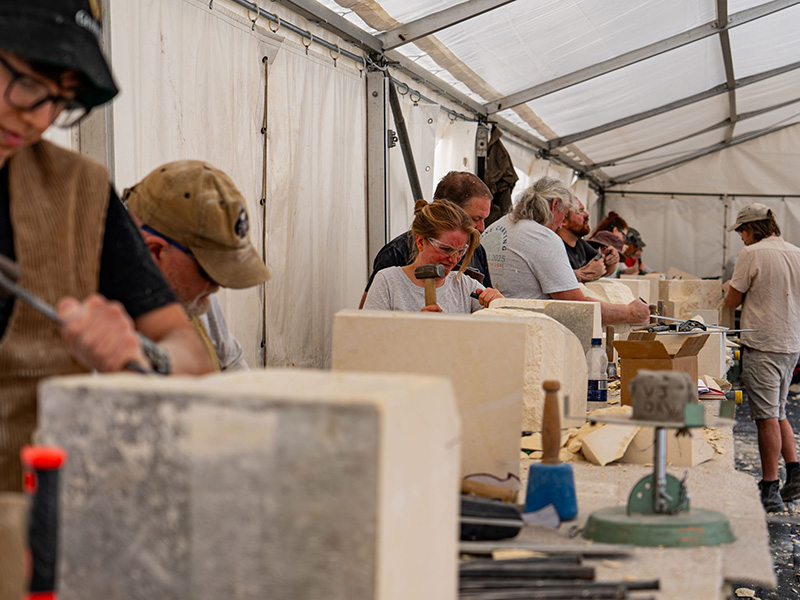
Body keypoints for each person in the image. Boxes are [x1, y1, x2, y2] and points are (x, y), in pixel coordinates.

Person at [0, 0, 213, 492]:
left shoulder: (78, 191)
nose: (38, 118)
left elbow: (194, 361)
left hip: (24, 528)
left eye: (61, 99)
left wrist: (143, 356)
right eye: (30, 81)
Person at [124, 161, 271, 372]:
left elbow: (232, 363)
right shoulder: (99, 317)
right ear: (155, 252)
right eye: (208, 270)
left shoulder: (195, 295)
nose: (217, 285)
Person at [482, 177, 650, 325]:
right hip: (528, 332)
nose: (562, 224)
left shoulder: (494, 227)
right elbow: (576, 306)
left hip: (490, 325)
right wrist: (630, 312)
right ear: (555, 204)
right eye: (564, 214)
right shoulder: (542, 237)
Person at [724, 203, 800, 512]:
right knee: (778, 410)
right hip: (790, 343)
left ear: (752, 229)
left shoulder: (751, 254)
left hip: (762, 343)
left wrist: (727, 286)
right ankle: (795, 472)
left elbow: (732, 299)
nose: (741, 237)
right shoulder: (796, 251)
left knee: (765, 417)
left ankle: (769, 488)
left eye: (742, 231)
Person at [360, 171, 493, 308]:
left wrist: (498, 304)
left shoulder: (467, 282)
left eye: (460, 251)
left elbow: (494, 315)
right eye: (446, 249)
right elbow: (366, 323)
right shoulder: (393, 263)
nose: (454, 259)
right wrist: (419, 326)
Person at [556, 198, 618, 283]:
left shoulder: (580, 243)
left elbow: (606, 269)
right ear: (563, 221)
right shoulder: (554, 246)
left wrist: (612, 260)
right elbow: (556, 280)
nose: (587, 215)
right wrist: (581, 274)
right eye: (580, 212)